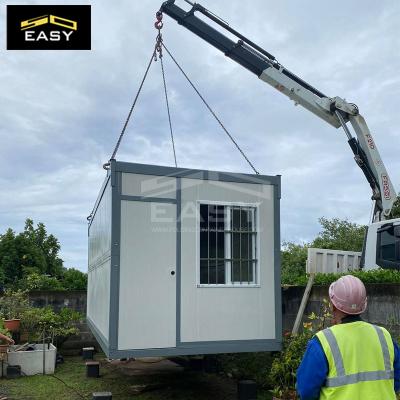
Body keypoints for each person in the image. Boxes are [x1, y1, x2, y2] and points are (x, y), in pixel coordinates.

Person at [296, 274, 400, 399]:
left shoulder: (323, 341)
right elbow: (396, 380)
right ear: (364, 305)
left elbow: (306, 390)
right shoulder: (384, 335)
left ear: (333, 305)